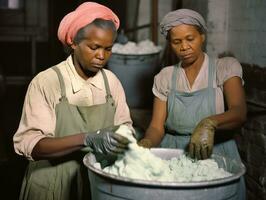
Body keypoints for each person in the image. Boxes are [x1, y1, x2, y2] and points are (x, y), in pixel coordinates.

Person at [13, 2, 134, 200]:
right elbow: (31, 144)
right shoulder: (47, 82)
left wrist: (124, 138)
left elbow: (125, 127)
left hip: (95, 181)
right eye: (94, 47)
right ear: (73, 43)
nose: (101, 56)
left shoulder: (111, 83)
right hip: (52, 183)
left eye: (108, 49)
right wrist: (86, 138)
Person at [138, 9, 246, 199]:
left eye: (190, 38)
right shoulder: (165, 77)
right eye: (176, 42)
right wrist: (146, 143)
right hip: (174, 154)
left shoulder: (225, 68)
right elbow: (156, 127)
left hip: (217, 152)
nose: (184, 47)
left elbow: (239, 112)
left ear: (202, 36)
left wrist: (209, 123)